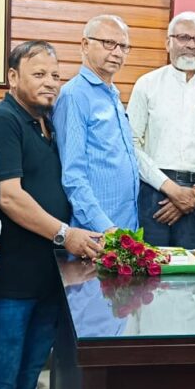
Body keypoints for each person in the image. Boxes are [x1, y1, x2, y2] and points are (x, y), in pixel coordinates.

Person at [0, 41, 104, 389]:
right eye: (39, 74)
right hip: (11, 283)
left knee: (29, 375)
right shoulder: (2, 120)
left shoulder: (47, 122)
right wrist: (66, 234)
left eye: (56, 76)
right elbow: (9, 196)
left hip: (48, 278)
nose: (50, 82)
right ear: (13, 77)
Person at [127, 11, 195, 248]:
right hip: (154, 193)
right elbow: (130, 144)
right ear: (168, 43)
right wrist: (171, 190)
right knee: (152, 266)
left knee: (193, 269)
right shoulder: (147, 84)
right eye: (183, 37)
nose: (191, 45)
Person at [53, 15, 140, 233]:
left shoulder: (112, 94)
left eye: (123, 46)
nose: (117, 52)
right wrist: (106, 228)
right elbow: (73, 177)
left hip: (125, 226)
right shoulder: (74, 96)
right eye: (108, 43)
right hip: (96, 232)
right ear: (85, 45)